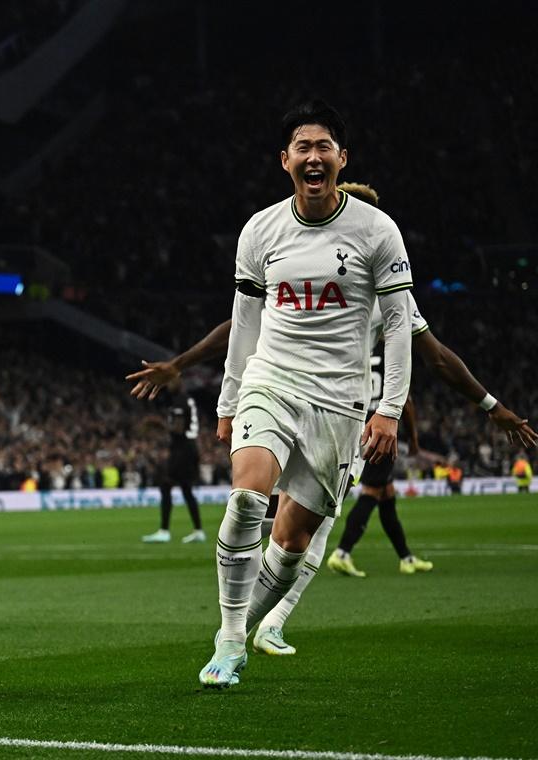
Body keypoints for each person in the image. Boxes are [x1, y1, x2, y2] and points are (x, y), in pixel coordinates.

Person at [129, 181, 536, 660]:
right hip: (279, 392)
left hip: (346, 414)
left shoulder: (386, 278)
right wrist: (184, 366)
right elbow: (241, 321)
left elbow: (437, 356)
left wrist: (489, 406)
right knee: (253, 503)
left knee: (306, 531)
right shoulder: (295, 252)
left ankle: (267, 622)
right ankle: (240, 631)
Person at [196, 101, 416, 689]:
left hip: (340, 400)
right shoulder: (260, 230)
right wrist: (228, 400)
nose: (313, 156)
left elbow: (399, 326)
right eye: (302, 147)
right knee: (246, 496)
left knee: (291, 542)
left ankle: (244, 631)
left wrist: (388, 408)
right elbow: (243, 321)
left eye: (324, 147)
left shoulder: (377, 231)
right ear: (285, 161)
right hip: (272, 379)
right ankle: (229, 637)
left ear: (341, 160)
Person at [142, 380, 205, 544]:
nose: (168, 384)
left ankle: (164, 531)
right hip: (189, 447)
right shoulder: (186, 399)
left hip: (183, 448)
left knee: (165, 484)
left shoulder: (180, 400)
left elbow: (178, 428)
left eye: (170, 381)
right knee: (185, 489)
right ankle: (198, 530)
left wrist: (159, 424)